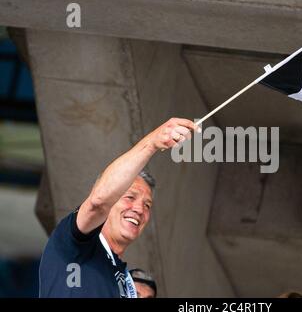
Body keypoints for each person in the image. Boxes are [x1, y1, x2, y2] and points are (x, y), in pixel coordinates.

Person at [39, 118, 199, 297]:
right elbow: (98, 202)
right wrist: (151, 144)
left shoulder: (122, 278)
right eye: (130, 197)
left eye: (147, 205)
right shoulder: (74, 243)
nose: (139, 209)